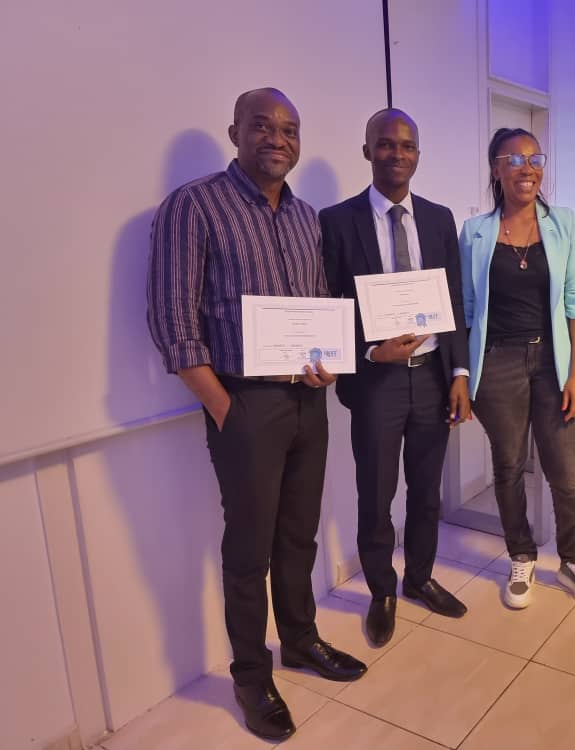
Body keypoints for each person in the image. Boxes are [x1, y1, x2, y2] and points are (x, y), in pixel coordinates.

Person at [147, 88, 367, 742]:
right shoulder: (193, 206)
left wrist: (330, 360)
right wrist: (224, 407)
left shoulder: (305, 216)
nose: (278, 139)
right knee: (248, 551)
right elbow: (173, 322)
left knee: (299, 535)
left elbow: (317, 304)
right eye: (263, 126)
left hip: (308, 401)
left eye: (289, 129)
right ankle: (250, 675)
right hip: (245, 403)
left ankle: (300, 639)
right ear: (235, 132)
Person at [320, 109, 471, 647]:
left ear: (418, 155)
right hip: (376, 382)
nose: (397, 154)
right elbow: (330, 302)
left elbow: (454, 298)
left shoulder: (438, 218)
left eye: (407, 146)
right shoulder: (337, 220)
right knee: (377, 493)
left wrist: (459, 371)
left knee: (427, 490)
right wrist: (368, 351)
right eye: (385, 144)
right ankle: (382, 590)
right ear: (367, 151)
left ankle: (420, 577)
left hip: (432, 378)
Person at [460, 127, 575, 609]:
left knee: (564, 470)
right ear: (496, 170)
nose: (528, 168)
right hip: (497, 363)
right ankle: (520, 554)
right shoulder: (474, 232)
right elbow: (467, 308)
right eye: (515, 159)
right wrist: (462, 373)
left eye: (535, 158)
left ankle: (572, 559)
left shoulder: (564, 223)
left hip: (552, 361)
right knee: (508, 466)